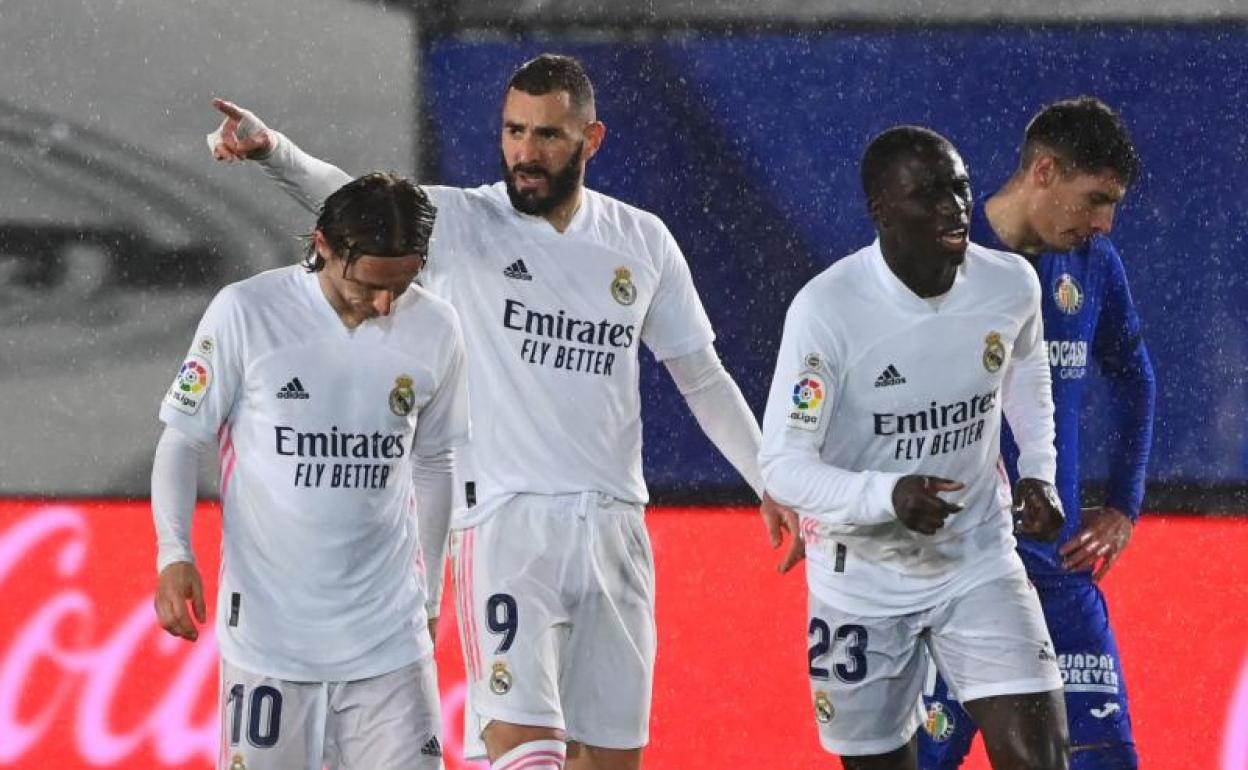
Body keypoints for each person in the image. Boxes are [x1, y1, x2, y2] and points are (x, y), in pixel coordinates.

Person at [207, 53, 800, 770]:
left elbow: (701, 376)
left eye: (547, 135)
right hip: (505, 527)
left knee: (610, 761)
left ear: (591, 139)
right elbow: (346, 198)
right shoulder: (462, 222)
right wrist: (272, 150)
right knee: (528, 753)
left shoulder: (641, 241)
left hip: (615, 527)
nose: (525, 152)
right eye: (514, 131)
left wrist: (769, 478)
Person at [760, 126, 1071, 770]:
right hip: (862, 579)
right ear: (881, 210)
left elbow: (1025, 368)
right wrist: (887, 496)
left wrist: (1039, 471)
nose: (954, 208)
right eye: (929, 195)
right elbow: (784, 465)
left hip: (977, 561)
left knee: (1043, 759)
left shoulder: (1010, 284)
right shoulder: (827, 311)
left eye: (959, 188)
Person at [151, 173, 469, 770]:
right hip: (271, 643)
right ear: (323, 244)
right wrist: (174, 553)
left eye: (401, 286)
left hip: (389, 645)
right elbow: (183, 438)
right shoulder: (247, 312)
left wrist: (429, 598)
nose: (384, 304)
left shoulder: (437, 327)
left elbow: (435, 461)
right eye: (368, 284)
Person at [918, 98, 1155, 770]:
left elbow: (1136, 379)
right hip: (954, 581)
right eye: (1097, 199)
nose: (1104, 223)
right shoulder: (939, 260)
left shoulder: (1094, 263)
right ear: (1044, 172)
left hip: (1058, 575)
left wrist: (1123, 505)